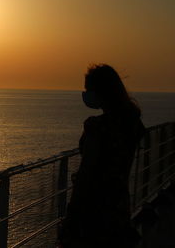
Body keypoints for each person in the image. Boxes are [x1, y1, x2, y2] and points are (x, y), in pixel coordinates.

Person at [58, 64, 145, 248]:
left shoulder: (98, 128)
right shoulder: (132, 124)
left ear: (101, 92)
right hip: (119, 207)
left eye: (89, 89)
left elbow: (86, 173)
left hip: (94, 211)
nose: (86, 94)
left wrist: (71, 216)